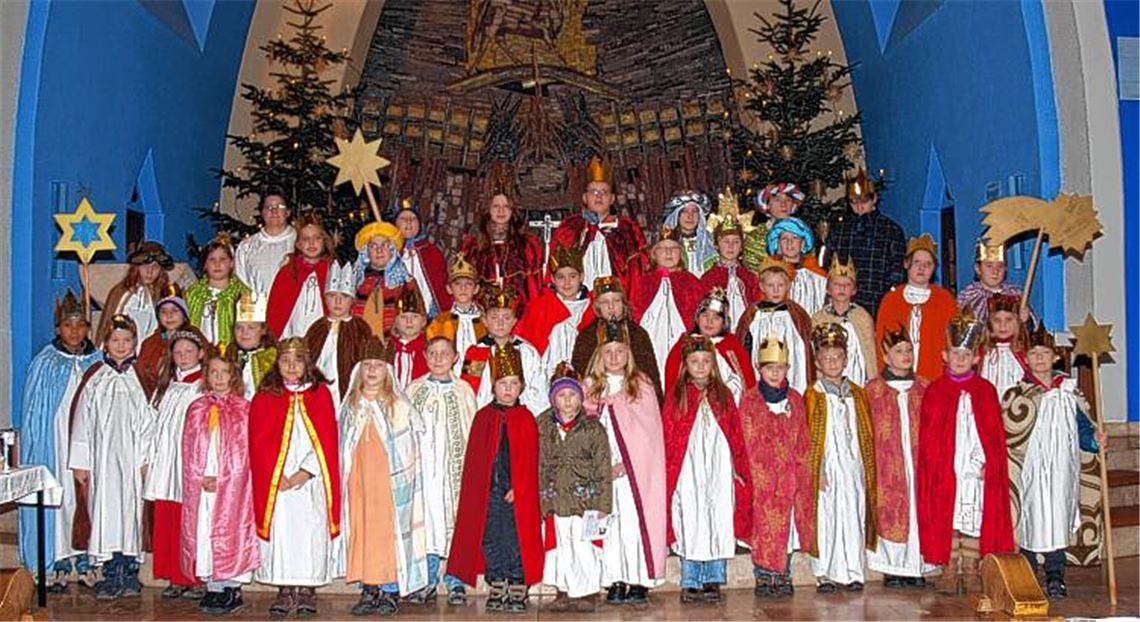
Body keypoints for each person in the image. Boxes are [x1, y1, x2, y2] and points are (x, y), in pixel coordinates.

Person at [1001, 323, 1105, 599]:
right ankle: (1028, 572)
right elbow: (1009, 431)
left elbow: (1083, 429)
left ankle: (1056, 575)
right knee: (1031, 516)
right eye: (1033, 354)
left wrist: (1095, 440)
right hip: (1031, 468)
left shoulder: (1069, 391)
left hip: (1062, 468)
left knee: (1058, 516)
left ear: (1055, 357)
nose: (1039, 358)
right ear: (1026, 358)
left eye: (1044, 353)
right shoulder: (1017, 394)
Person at [917, 309, 1015, 596]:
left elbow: (993, 434)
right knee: (947, 514)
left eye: (966, 354)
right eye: (955, 353)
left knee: (973, 516)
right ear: (945, 356)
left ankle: (971, 569)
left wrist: (989, 463)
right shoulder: (935, 391)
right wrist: (936, 464)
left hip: (976, 468)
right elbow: (929, 436)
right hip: (945, 468)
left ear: (976, 358)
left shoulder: (986, 391)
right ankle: (949, 568)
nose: (960, 359)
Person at [334, 342, 430, 616]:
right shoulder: (351, 405)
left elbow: (408, 446)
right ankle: (369, 587)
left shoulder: (398, 405)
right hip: (359, 481)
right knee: (361, 530)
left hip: (389, 483)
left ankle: (389, 588)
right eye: (367, 365)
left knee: (389, 533)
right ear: (359, 370)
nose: (372, 370)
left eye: (378, 365)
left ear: (388, 371)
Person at [448, 342, 543, 613]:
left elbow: (530, 460)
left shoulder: (526, 419)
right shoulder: (483, 418)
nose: (508, 389)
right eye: (503, 383)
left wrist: (519, 487)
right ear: (493, 386)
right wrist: (483, 487)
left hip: (516, 494)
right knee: (491, 538)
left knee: (515, 538)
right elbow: (476, 461)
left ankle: (517, 581)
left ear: (521, 387)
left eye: (514, 383)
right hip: (488, 492)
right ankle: (497, 580)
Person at [249, 338, 341, 617]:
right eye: (285, 361)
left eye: (297, 360)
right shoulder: (265, 396)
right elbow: (257, 441)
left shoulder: (320, 394)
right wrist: (276, 474)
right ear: (276, 364)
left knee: (311, 532)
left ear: (307, 363)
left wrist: (305, 472)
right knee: (282, 533)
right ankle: (285, 588)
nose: (291, 366)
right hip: (277, 482)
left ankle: (308, 588)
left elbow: (327, 439)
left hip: (310, 480)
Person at [18, 290, 101, 591]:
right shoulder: (45, 362)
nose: (75, 331)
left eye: (80, 325)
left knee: (87, 497)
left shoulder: (98, 361)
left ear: (88, 328)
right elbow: (34, 412)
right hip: (54, 442)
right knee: (59, 498)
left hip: (88, 442)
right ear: (58, 329)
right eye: (68, 325)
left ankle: (87, 559)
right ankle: (58, 561)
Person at [69, 314, 155, 600]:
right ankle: (109, 570)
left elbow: (150, 423)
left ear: (135, 343)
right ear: (105, 343)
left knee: (130, 513)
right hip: (102, 461)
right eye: (115, 340)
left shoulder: (141, 377)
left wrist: (146, 460)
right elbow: (82, 420)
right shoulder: (96, 377)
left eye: (126, 340)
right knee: (104, 511)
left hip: (132, 461)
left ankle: (129, 571)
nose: (120, 345)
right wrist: (81, 463)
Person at [582, 321, 666, 605]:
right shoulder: (590, 387)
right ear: (599, 355)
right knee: (609, 525)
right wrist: (599, 465)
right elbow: (583, 429)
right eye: (608, 352)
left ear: (629, 353)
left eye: (620, 351)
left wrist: (626, 464)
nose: (614, 357)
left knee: (632, 523)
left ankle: (638, 577)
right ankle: (614, 578)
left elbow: (649, 433)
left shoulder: (641, 385)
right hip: (601, 470)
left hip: (634, 475)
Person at [663, 335, 751, 604]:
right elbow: (669, 434)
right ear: (685, 365)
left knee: (718, 516)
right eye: (695, 361)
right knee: (690, 517)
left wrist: (737, 465)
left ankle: (713, 577)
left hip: (719, 466)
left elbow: (735, 433)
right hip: (687, 468)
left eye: (706, 361)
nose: (700, 366)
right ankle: (690, 578)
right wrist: (671, 469)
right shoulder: (677, 395)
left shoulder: (723, 395)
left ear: (714, 364)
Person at [180, 354, 259, 615]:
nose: (219, 377)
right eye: (213, 372)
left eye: (225, 372)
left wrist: (225, 480)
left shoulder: (244, 410)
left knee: (230, 530)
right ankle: (213, 585)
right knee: (205, 530)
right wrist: (199, 476)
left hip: (232, 488)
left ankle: (231, 587)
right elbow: (188, 449)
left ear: (234, 376)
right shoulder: (197, 408)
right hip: (202, 484)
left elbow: (245, 453)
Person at [804, 323, 877, 593]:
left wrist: (866, 467)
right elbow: (810, 435)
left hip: (853, 466)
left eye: (837, 357)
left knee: (854, 513)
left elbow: (866, 433)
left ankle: (853, 571)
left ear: (846, 359)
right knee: (828, 517)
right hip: (829, 467)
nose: (833, 362)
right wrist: (819, 469)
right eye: (827, 358)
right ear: (818, 362)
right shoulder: (814, 394)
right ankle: (825, 572)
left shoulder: (857, 393)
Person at [405, 337, 478, 605]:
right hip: (423, 470)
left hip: (453, 470)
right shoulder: (414, 389)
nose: (438, 359)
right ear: (424, 355)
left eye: (444, 353)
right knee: (426, 524)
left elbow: (472, 428)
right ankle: (427, 579)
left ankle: (456, 581)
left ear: (455, 357)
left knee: (455, 521)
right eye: (433, 353)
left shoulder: (463, 390)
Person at [740, 335, 813, 598]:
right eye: (769, 367)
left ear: (787, 369)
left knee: (787, 527)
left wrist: (804, 469)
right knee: (764, 525)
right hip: (763, 475)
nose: (774, 373)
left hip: (790, 475)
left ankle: (783, 572)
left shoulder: (794, 399)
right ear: (759, 368)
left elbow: (803, 437)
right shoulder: (750, 400)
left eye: (780, 368)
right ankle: (763, 573)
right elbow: (747, 436)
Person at [539, 363, 612, 612]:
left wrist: (603, 505)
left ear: (581, 398)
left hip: (585, 501)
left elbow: (603, 468)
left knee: (584, 547)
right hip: (555, 499)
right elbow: (539, 465)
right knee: (560, 547)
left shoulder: (593, 428)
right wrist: (540, 500)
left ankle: (588, 591)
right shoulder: (543, 427)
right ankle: (564, 590)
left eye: (572, 395)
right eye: (562, 395)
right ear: (553, 399)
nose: (568, 400)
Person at [865, 327, 934, 587]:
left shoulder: (925, 387)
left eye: (909, 350)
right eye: (899, 351)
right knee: (891, 510)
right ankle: (893, 567)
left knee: (918, 509)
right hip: (888, 463)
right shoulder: (873, 390)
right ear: (885, 357)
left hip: (918, 461)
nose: (906, 355)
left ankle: (918, 565)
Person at [144, 330, 208, 600]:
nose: (183, 357)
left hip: (190, 463)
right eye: (178, 352)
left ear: (200, 354)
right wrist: (147, 459)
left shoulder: (203, 387)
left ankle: (193, 575)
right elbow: (151, 425)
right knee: (168, 517)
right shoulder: (167, 386)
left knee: (191, 519)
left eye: (189, 352)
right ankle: (174, 574)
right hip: (166, 462)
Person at [552, 157, 647, 291]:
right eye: (593, 192)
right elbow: (557, 266)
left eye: (604, 192)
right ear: (585, 198)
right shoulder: (570, 227)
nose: (599, 196)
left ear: (612, 198)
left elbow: (638, 270)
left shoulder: (627, 228)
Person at [875, 234, 957, 381]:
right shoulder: (891, 300)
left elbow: (953, 342)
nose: (921, 268)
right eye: (917, 262)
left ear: (934, 268)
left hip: (935, 376)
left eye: (928, 264)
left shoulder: (945, 300)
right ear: (907, 264)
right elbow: (882, 343)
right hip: (898, 378)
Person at [825, 168, 906, 317]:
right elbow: (828, 264)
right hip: (844, 300)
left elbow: (897, 270)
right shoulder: (839, 230)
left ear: (874, 199)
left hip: (878, 301)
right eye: (854, 202)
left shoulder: (891, 230)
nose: (859, 206)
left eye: (864, 201)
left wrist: (888, 295)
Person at [460, 284, 549, 413]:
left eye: (506, 317)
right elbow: (468, 391)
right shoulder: (476, 353)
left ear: (514, 321)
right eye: (494, 317)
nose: (500, 323)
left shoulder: (527, 352)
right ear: (484, 320)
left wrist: (524, 414)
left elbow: (539, 390)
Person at [631, 226, 702, 383]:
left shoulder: (691, 282)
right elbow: (635, 312)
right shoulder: (644, 282)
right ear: (654, 253)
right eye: (663, 248)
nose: (669, 252)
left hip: (682, 340)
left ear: (681, 253)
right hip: (651, 340)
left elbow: (699, 315)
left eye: (674, 248)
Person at [571, 276, 662, 399]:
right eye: (605, 302)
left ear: (623, 303)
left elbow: (651, 376)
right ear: (597, 306)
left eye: (616, 301)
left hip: (633, 398)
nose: (611, 307)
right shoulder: (587, 337)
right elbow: (579, 377)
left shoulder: (638, 335)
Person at [663, 288, 755, 405]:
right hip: (692, 405)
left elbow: (747, 381)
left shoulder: (732, 346)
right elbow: (673, 381)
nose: (709, 321)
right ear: (697, 318)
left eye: (716, 318)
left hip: (727, 406)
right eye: (705, 315)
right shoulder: (684, 345)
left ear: (724, 322)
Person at [737, 256, 815, 394]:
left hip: (792, 369)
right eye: (770, 286)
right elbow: (744, 343)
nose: (776, 290)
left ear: (788, 285)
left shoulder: (796, 313)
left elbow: (807, 345)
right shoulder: (753, 313)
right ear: (762, 286)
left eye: (780, 285)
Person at [303, 261, 376, 408]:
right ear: (325, 298)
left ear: (353, 300)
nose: (338, 301)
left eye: (344, 296)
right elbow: (306, 360)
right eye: (332, 296)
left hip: (349, 392)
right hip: (319, 390)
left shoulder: (361, 329)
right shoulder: (317, 328)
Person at [458, 189, 544, 308]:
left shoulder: (527, 245)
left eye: (506, 206)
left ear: (512, 210)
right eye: (496, 206)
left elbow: (534, 286)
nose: (501, 211)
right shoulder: (474, 246)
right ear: (488, 210)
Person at [514, 244, 592, 373]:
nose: (567, 282)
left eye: (572, 276)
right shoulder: (540, 307)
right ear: (552, 279)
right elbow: (526, 346)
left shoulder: (593, 307)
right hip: (546, 374)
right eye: (560, 277)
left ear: (582, 277)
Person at [701, 189, 761, 332]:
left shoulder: (750, 277)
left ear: (742, 246)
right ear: (716, 245)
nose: (731, 246)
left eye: (736, 241)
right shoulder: (709, 277)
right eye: (725, 241)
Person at [266, 212, 333, 340]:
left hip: (324, 337)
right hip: (293, 336)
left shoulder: (331, 270)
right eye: (306, 239)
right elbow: (276, 309)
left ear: (324, 242)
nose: (311, 243)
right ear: (298, 244)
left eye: (317, 238)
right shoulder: (288, 271)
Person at [812, 256, 877, 386]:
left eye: (847, 285)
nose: (842, 288)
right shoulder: (819, 318)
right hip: (828, 377)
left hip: (859, 379)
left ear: (854, 290)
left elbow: (870, 352)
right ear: (828, 289)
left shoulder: (863, 317)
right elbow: (815, 352)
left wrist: (873, 379)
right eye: (837, 284)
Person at [95, 241, 173, 347]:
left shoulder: (163, 296)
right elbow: (109, 326)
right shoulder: (122, 292)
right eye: (145, 266)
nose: (149, 272)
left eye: (155, 267)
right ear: (137, 268)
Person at [352, 219, 415, 339]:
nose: (379, 250)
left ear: (392, 250)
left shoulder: (405, 282)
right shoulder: (356, 281)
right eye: (373, 246)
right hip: (359, 341)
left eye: (385, 245)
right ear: (366, 252)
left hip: (392, 342)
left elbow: (416, 314)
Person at [425, 253, 485, 377]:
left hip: (480, 377)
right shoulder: (440, 321)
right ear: (449, 289)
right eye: (457, 284)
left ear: (476, 289)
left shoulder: (485, 321)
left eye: (468, 284)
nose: (463, 288)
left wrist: (473, 376)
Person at [186, 234, 249, 347]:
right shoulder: (192, 294)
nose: (217, 264)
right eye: (212, 259)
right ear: (205, 265)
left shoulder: (244, 294)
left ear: (231, 263)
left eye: (223, 259)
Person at [136, 284, 198, 400]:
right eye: (163, 311)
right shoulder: (150, 344)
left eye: (175, 310)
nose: (169, 316)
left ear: (184, 315)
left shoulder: (197, 340)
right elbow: (142, 374)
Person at [394, 200, 452, 318]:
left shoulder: (432, 252)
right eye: (403, 218)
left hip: (429, 311)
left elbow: (441, 284)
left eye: (413, 218)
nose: (409, 221)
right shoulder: (390, 253)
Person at [234, 189, 296, 296]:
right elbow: (241, 284)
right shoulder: (246, 247)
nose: (274, 211)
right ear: (262, 213)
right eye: (268, 207)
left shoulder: (300, 243)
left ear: (288, 212)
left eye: (280, 206)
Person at [957, 240, 1035, 325]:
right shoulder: (968, 296)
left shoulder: (1015, 294)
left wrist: (1026, 320)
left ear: (1005, 268)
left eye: (1000, 266)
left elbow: (1032, 328)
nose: (995, 271)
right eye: (989, 266)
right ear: (978, 268)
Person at [768, 217, 828, 316]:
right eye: (784, 238)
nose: (789, 242)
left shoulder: (818, 275)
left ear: (803, 243)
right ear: (778, 244)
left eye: (795, 237)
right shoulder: (769, 275)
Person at [742, 182, 803, 274]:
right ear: (767, 205)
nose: (783, 205)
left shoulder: (803, 234)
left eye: (788, 200)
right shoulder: (754, 237)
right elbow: (751, 273)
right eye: (777, 200)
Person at [980, 293, 1028, 403]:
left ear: (1017, 322)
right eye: (997, 320)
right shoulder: (982, 352)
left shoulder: (1023, 351)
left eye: (1009, 320)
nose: (1003, 326)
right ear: (990, 323)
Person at [231, 290, 277, 400]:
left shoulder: (273, 358)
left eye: (251, 328)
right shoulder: (229, 356)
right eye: (239, 327)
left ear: (263, 330)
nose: (244, 333)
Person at [383, 283, 430, 390]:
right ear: (395, 321)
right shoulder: (386, 349)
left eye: (415, 317)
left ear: (423, 321)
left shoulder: (430, 350)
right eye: (403, 317)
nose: (409, 321)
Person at [662, 190, 716, 277]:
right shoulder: (666, 244)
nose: (690, 216)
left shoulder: (711, 244)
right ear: (677, 215)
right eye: (684, 211)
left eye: (694, 211)